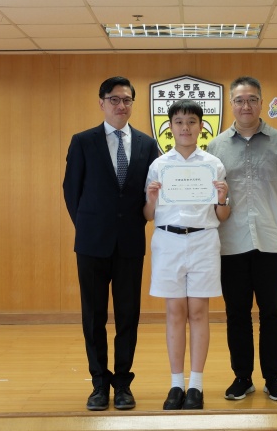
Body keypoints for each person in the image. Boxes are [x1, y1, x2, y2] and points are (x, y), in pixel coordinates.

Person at [63, 76, 159, 411]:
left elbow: (151, 192)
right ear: (101, 103)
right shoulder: (83, 141)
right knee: (93, 316)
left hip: (130, 242)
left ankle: (123, 383)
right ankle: (99, 384)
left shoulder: (147, 144)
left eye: (127, 100)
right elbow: (71, 191)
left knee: (128, 316)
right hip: (92, 243)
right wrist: (89, 226)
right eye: (114, 99)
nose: (121, 105)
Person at [206, 76, 277, 402]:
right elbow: (212, 200)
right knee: (237, 315)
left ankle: (273, 378)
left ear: (261, 103)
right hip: (230, 245)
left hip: (273, 242)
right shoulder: (216, 147)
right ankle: (242, 377)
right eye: (239, 100)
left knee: (273, 314)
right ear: (231, 105)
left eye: (251, 99)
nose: (245, 106)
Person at [144, 99, 231, 410]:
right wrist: (151, 199)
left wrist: (222, 198)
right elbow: (148, 215)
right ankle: (176, 384)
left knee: (198, 312)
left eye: (191, 122)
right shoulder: (159, 165)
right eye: (179, 122)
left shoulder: (213, 164)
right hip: (167, 242)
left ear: (201, 127)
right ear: (170, 127)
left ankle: (196, 385)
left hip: (203, 241)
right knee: (175, 312)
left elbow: (222, 215)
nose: (185, 127)